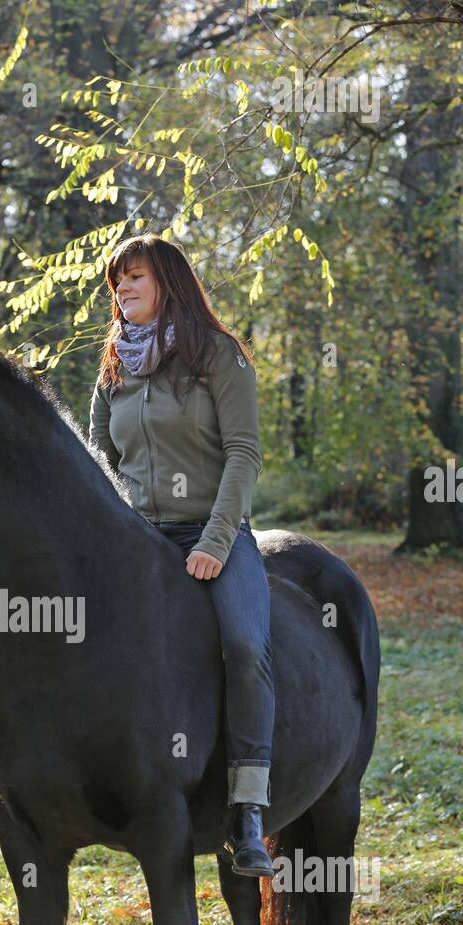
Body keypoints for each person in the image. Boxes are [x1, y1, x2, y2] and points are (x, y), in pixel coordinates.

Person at [88, 233, 274, 877]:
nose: (124, 290)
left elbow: (244, 454)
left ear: (169, 281)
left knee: (244, 646)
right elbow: (100, 464)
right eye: (117, 283)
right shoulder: (113, 362)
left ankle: (248, 808)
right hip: (139, 541)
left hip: (213, 534)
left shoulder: (218, 356)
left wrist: (216, 543)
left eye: (135, 277)